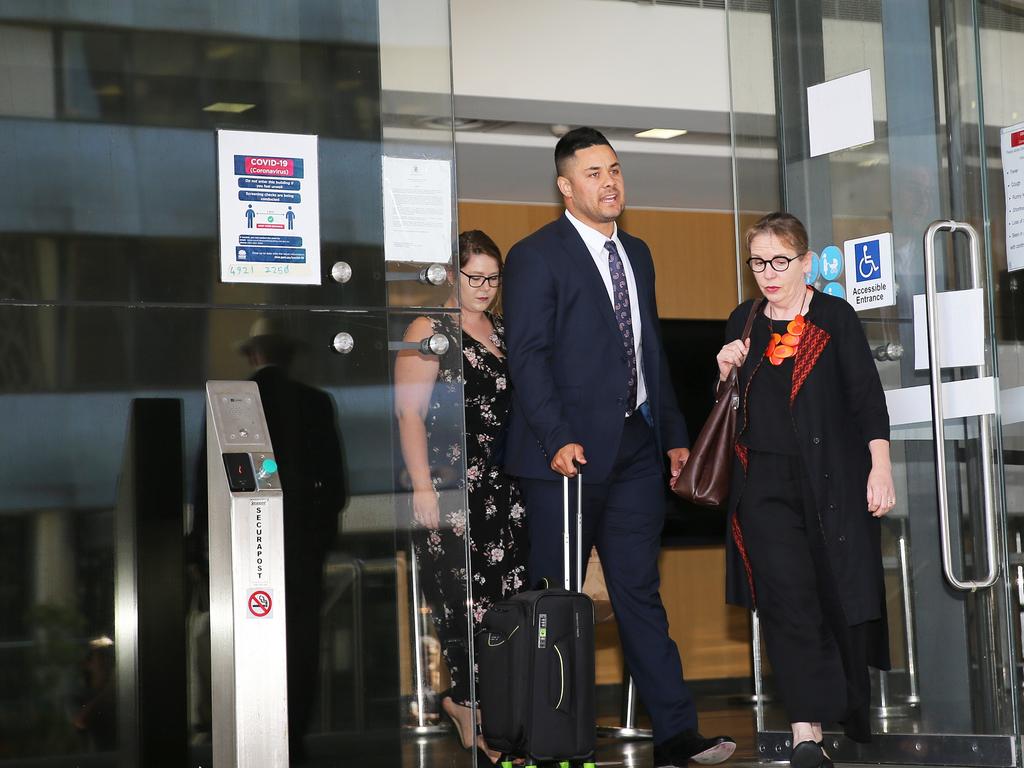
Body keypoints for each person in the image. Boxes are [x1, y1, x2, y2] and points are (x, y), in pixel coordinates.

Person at [501, 127, 735, 768]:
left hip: (635, 445)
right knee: (554, 600)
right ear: (565, 187)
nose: (609, 183)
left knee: (639, 592)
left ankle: (677, 734)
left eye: (615, 170)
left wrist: (676, 438)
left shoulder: (638, 252)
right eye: (594, 174)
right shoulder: (536, 255)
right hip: (565, 456)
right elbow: (528, 356)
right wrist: (556, 437)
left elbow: (648, 351)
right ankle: (541, 739)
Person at [716, 212, 895, 768]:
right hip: (762, 485)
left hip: (830, 481)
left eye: (780, 261)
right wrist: (724, 371)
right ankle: (804, 733)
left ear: (806, 261)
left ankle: (840, 708)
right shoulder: (742, 322)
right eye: (758, 262)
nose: (768, 273)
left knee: (831, 596)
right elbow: (728, 415)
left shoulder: (834, 318)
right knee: (786, 602)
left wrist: (880, 467)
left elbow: (866, 398)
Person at [394, 230, 527, 765]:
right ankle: (475, 711)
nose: (484, 287)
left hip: (504, 486)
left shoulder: (501, 328)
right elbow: (408, 413)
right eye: (474, 277)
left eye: (492, 278)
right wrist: (424, 486)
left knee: (506, 603)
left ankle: (474, 706)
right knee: (464, 604)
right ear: (451, 274)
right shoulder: (430, 328)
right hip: (451, 486)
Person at [190, 317, 347, 762]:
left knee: (246, 638)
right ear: (291, 354)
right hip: (299, 548)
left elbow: (208, 482)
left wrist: (206, 547)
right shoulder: (314, 403)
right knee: (300, 640)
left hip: (241, 547)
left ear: (251, 354)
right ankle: (292, 734)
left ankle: (250, 735)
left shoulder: (230, 402)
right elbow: (335, 487)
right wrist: (316, 535)